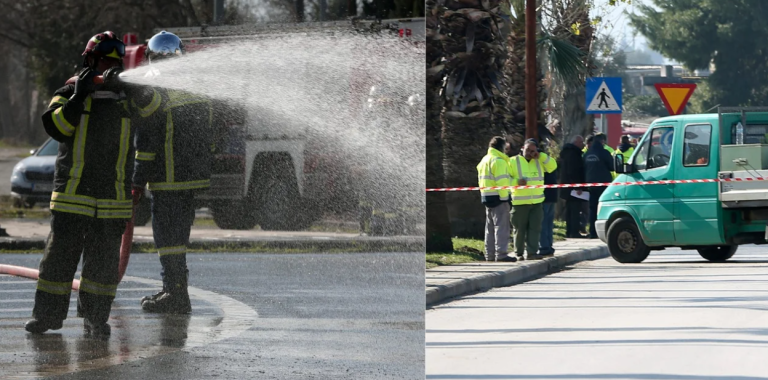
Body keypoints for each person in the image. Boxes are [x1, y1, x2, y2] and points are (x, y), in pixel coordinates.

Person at [26, 31, 134, 336]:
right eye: (102, 62)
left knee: (102, 268)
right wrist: (79, 97)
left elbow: (153, 113)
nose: (107, 69)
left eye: (114, 64)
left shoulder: (130, 99)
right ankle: (45, 317)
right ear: (89, 62)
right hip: (73, 196)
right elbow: (56, 127)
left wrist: (133, 89)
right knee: (58, 263)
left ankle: (96, 319)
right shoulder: (69, 90)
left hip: (112, 199)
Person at [131, 31, 214, 314]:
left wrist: (136, 182)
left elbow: (147, 144)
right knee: (178, 238)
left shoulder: (156, 90)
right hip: (192, 179)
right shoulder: (196, 88)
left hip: (166, 178)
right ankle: (177, 292)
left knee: (167, 239)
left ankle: (175, 294)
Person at [509, 139, 557, 260]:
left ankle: (532, 252)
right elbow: (505, 179)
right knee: (520, 229)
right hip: (520, 201)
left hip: (537, 202)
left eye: (533, 150)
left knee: (535, 229)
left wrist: (540, 156)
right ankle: (518, 253)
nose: (530, 152)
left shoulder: (539, 161)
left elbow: (553, 166)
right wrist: (516, 182)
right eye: (527, 150)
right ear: (522, 148)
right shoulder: (512, 161)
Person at [477, 136, 516, 262]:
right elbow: (502, 182)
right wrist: (505, 198)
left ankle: (490, 255)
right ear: (501, 147)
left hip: (486, 196)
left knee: (489, 228)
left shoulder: (485, 160)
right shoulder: (498, 161)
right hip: (499, 197)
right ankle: (501, 254)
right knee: (501, 227)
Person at [583, 134, 614, 239]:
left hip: (591, 184)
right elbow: (612, 166)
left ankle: (593, 232)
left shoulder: (587, 153)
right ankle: (603, 231)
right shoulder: (604, 153)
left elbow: (583, 168)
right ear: (602, 142)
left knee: (592, 208)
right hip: (603, 184)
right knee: (604, 208)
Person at [559, 135, 586, 238]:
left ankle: (569, 231)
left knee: (570, 210)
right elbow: (573, 171)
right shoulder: (573, 154)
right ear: (575, 143)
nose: (582, 144)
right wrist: (577, 186)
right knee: (575, 210)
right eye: (581, 142)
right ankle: (574, 232)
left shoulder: (568, 153)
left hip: (567, 187)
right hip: (573, 188)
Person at [539, 141, 558, 257]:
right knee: (548, 223)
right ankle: (548, 246)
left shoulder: (539, 163)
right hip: (552, 196)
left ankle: (544, 247)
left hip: (544, 196)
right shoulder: (550, 161)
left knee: (543, 223)